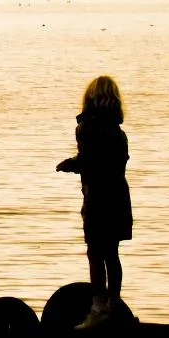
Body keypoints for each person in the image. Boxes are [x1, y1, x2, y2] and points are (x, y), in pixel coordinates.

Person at [56, 75, 131, 320]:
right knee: (112, 254)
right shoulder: (119, 132)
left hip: (98, 199)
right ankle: (114, 304)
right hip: (119, 199)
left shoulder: (87, 128)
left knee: (95, 253)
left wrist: (71, 164)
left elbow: (91, 160)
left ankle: (98, 308)